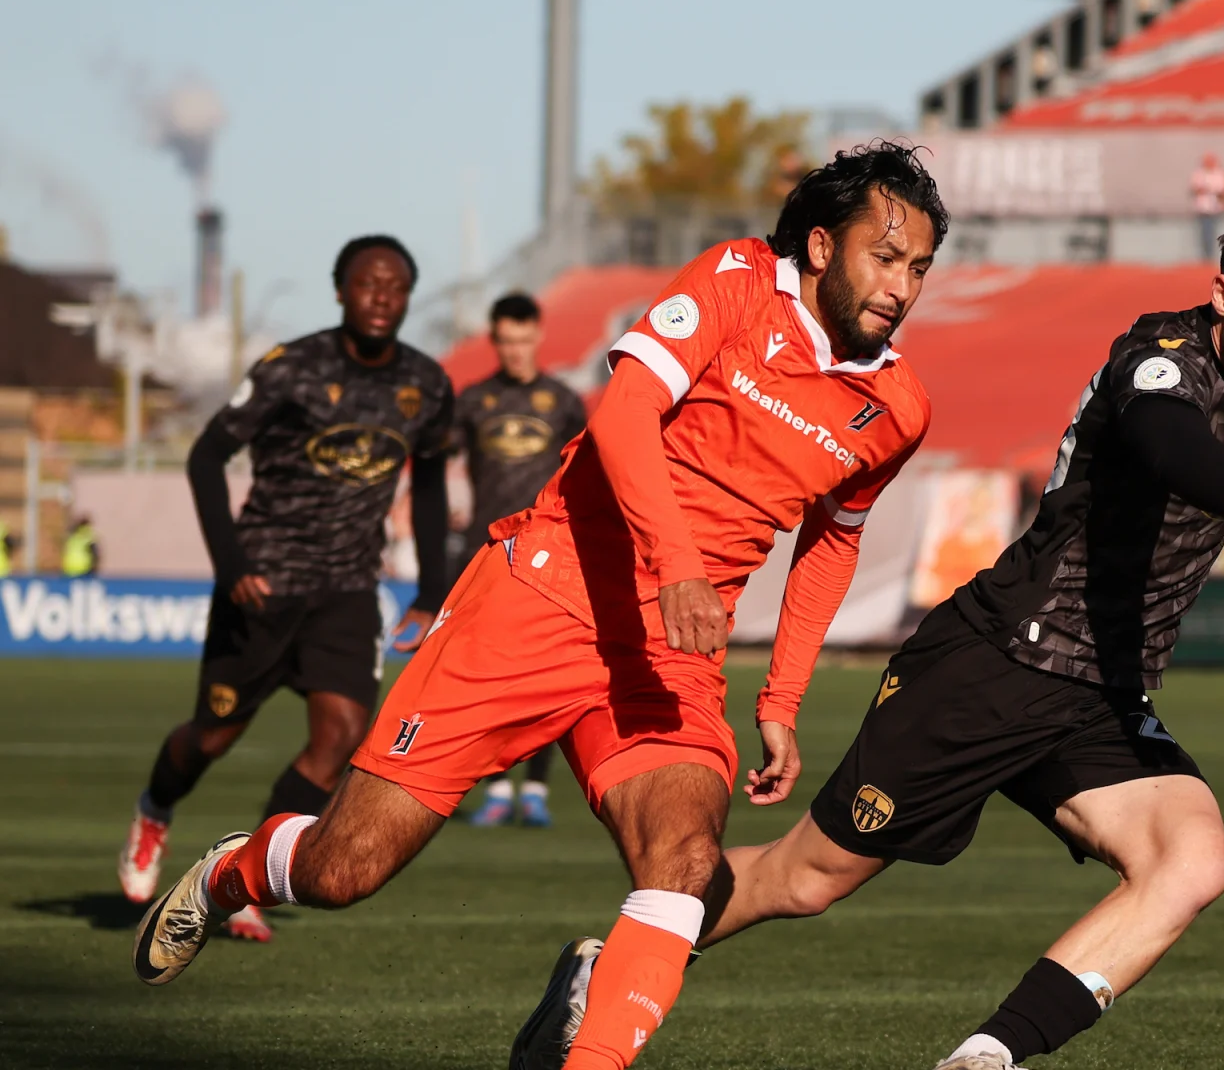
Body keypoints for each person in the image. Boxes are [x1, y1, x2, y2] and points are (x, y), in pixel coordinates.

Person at [131, 144, 947, 1070]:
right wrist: (677, 563)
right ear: (818, 246)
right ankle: (236, 868)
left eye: (918, 267)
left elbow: (831, 545)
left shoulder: (899, 407)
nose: (902, 285)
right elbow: (624, 411)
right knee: (342, 869)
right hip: (541, 593)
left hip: (667, 653)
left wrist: (781, 699)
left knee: (684, 866)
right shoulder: (734, 279)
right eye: (885, 257)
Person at [521, 195, 1224, 1070]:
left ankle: (984, 1059)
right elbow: (1163, 435)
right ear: (1223, 293)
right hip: (994, 666)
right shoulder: (1161, 358)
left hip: (1101, 692)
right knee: (805, 880)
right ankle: (607, 971)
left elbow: (1202, 465)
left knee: (1193, 861)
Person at [115, 235, 452, 942]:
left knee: (341, 737)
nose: (382, 298)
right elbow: (208, 456)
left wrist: (430, 589)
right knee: (210, 737)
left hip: (349, 590)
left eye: (395, 287)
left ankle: (242, 879)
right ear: (339, 290)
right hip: (262, 587)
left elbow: (427, 487)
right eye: (367, 284)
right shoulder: (291, 367)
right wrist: (233, 564)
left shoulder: (427, 383)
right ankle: (154, 808)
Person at [454, 292, 588, 828]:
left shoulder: (563, 402)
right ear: (494, 340)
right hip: (483, 549)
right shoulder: (473, 400)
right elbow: (442, 463)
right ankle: (492, 789)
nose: (514, 350)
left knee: (544, 674)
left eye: (522, 339)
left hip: (548, 553)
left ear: (538, 337)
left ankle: (533, 790)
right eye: (504, 340)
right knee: (485, 674)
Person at [1190, 152, 1224, 260]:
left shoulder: (1220, 174)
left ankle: (1219, 256)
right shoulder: (1199, 174)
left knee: (1219, 234)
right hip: (1203, 210)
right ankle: (1206, 257)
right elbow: (1195, 189)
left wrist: (1215, 191)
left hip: (1217, 209)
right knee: (1204, 234)